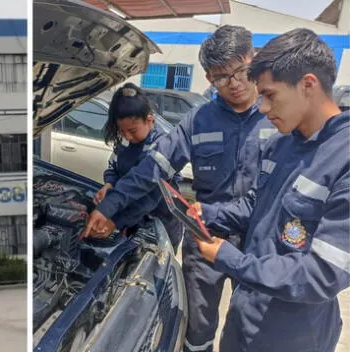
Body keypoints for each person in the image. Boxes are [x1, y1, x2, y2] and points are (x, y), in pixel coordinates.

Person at [81, 25, 277, 352]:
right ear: (208, 78)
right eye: (221, 77)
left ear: (253, 59)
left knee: (254, 330)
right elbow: (153, 168)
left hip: (260, 242)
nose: (235, 84)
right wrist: (109, 205)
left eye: (241, 71)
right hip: (206, 237)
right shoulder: (198, 121)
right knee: (196, 330)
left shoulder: (279, 115)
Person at [191, 28, 349, 352]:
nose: (261, 108)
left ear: (308, 85)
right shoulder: (281, 144)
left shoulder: (343, 160)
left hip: (293, 336)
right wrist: (207, 213)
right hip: (244, 318)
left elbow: (321, 274)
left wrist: (231, 260)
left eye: (270, 95)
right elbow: (255, 203)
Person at [92, 83, 184, 252]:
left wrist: (114, 222)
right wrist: (109, 183)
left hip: (161, 226)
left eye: (132, 130)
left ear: (149, 119)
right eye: (122, 130)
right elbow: (113, 165)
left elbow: (148, 199)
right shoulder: (126, 142)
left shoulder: (162, 148)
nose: (127, 136)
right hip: (132, 222)